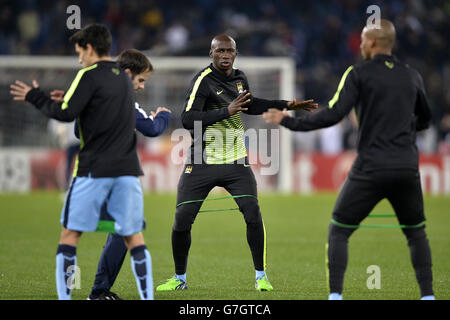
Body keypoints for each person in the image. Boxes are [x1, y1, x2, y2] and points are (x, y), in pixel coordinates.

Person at [262, 19, 434, 300]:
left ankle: (335, 297)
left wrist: (288, 122)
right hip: (405, 167)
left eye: (364, 39)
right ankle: (428, 296)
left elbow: (332, 114)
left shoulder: (358, 73)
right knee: (416, 233)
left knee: (339, 229)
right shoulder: (412, 75)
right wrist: (400, 127)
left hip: (371, 168)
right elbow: (425, 120)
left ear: (375, 43)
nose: (361, 44)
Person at [156, 34, 317, 292]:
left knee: (253, 213)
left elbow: (250, 106)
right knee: (182, 219)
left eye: (229, 50)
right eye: (220, 50)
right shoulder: (203, 81)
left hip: (236, 162)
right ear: (211, 54)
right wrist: (225, 111)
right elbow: (187, 119)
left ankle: (261, 276)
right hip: (202, 161)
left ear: (235, 53)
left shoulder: (240, 78)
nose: (225, 55)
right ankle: (179, 278)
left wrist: (287, 104)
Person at [10, 24, 153, 300]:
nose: (79, 59)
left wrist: (34, 96)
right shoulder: (124, 79)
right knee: (134, 238)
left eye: (79, 52)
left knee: (70, 235)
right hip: (127, 172)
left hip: (94, 170)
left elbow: (66, 116)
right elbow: (105, 111)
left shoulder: (87, 75)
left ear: (89, 48)